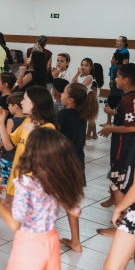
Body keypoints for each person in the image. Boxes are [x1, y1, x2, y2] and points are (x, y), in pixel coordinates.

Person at [0, 128, 84, 270]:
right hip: (51, 241)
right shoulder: (58, 181)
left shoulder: (26, 183)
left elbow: (15, 224)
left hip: (29, 245)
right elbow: (76, 212)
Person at [0, 86, 58, 206]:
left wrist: (32, 134)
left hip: (33, 185)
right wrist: (0, 122)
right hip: (19, 179)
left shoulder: (49, 128)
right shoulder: (27, 121)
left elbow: (42, 159)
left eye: (25, 99)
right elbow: (8, 146)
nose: (21, 102)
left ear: (34, 103)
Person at [56, 82, 98, 252]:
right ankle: (76, 241)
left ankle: (46, 238)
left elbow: (53, 134)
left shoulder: (64, 114)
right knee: (71, 202)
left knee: (52, 199)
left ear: (71, 100)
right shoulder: (82, 116)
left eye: (64, 93)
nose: (61, 95)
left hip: (62, 163)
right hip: (77, 163)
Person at [97, 63, 135, 237]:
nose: (115, 80)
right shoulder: (128, 98)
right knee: (118, 184)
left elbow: (131, 127)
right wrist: (112, 114)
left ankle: (120, 225)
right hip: (123, 148)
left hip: (124, 150)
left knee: (119, 186)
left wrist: (110, 128)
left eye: (118, 76)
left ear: (126, 80)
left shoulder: (129, 99)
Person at [0, 93, 25, 187]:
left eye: (9, 105)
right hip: (21, 157)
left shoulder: (11, 121)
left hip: (8, 157)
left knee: (7, 184)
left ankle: (7, 199)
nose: (8, 107)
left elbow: (6, 139)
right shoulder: (29, 120)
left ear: (15, 106)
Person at [102, 53, 125, 127]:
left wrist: (111, 82)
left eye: (112, 58)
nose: (111, 60)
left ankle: (109, 122)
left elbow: (117, 80)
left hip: (115, 92)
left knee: (109, 105)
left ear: (116, 60)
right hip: (119, 92)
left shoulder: (116, 69)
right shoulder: (121, 67)